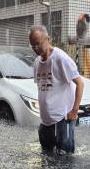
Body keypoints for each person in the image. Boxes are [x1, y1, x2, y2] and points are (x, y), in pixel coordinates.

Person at [29, 25, 84, 155]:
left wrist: (74, 111)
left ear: (48, 39)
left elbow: (80, 83)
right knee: (47, 155)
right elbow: (44, 89)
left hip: (62, 119)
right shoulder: (37, 62)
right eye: (32, 45)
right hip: (45, 120)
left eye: (38, 44)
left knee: (65, 160)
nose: (35, 48)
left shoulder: (60, 58)